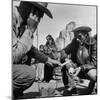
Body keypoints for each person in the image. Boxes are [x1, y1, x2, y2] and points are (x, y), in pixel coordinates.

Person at [12, 1, 61, 99]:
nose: (40, 19)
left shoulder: (22, 25)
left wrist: (47, 60)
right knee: (28, 74)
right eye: (41, 14)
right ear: (33, 11)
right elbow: (13, 57)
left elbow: (30, 49)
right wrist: (29, 30)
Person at [61, 26, 97, 95]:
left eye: (79, 36)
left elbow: (94, 63)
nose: (77, 39)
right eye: (75, 36)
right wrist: (68, 62)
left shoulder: (93, 43)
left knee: (93, 75)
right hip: (77, 67)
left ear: (85, 35)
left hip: (88, 69)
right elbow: (63, 51)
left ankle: (91, 87)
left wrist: (81, 68)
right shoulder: (74, 42)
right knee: (65, 65)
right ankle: (71, 87)